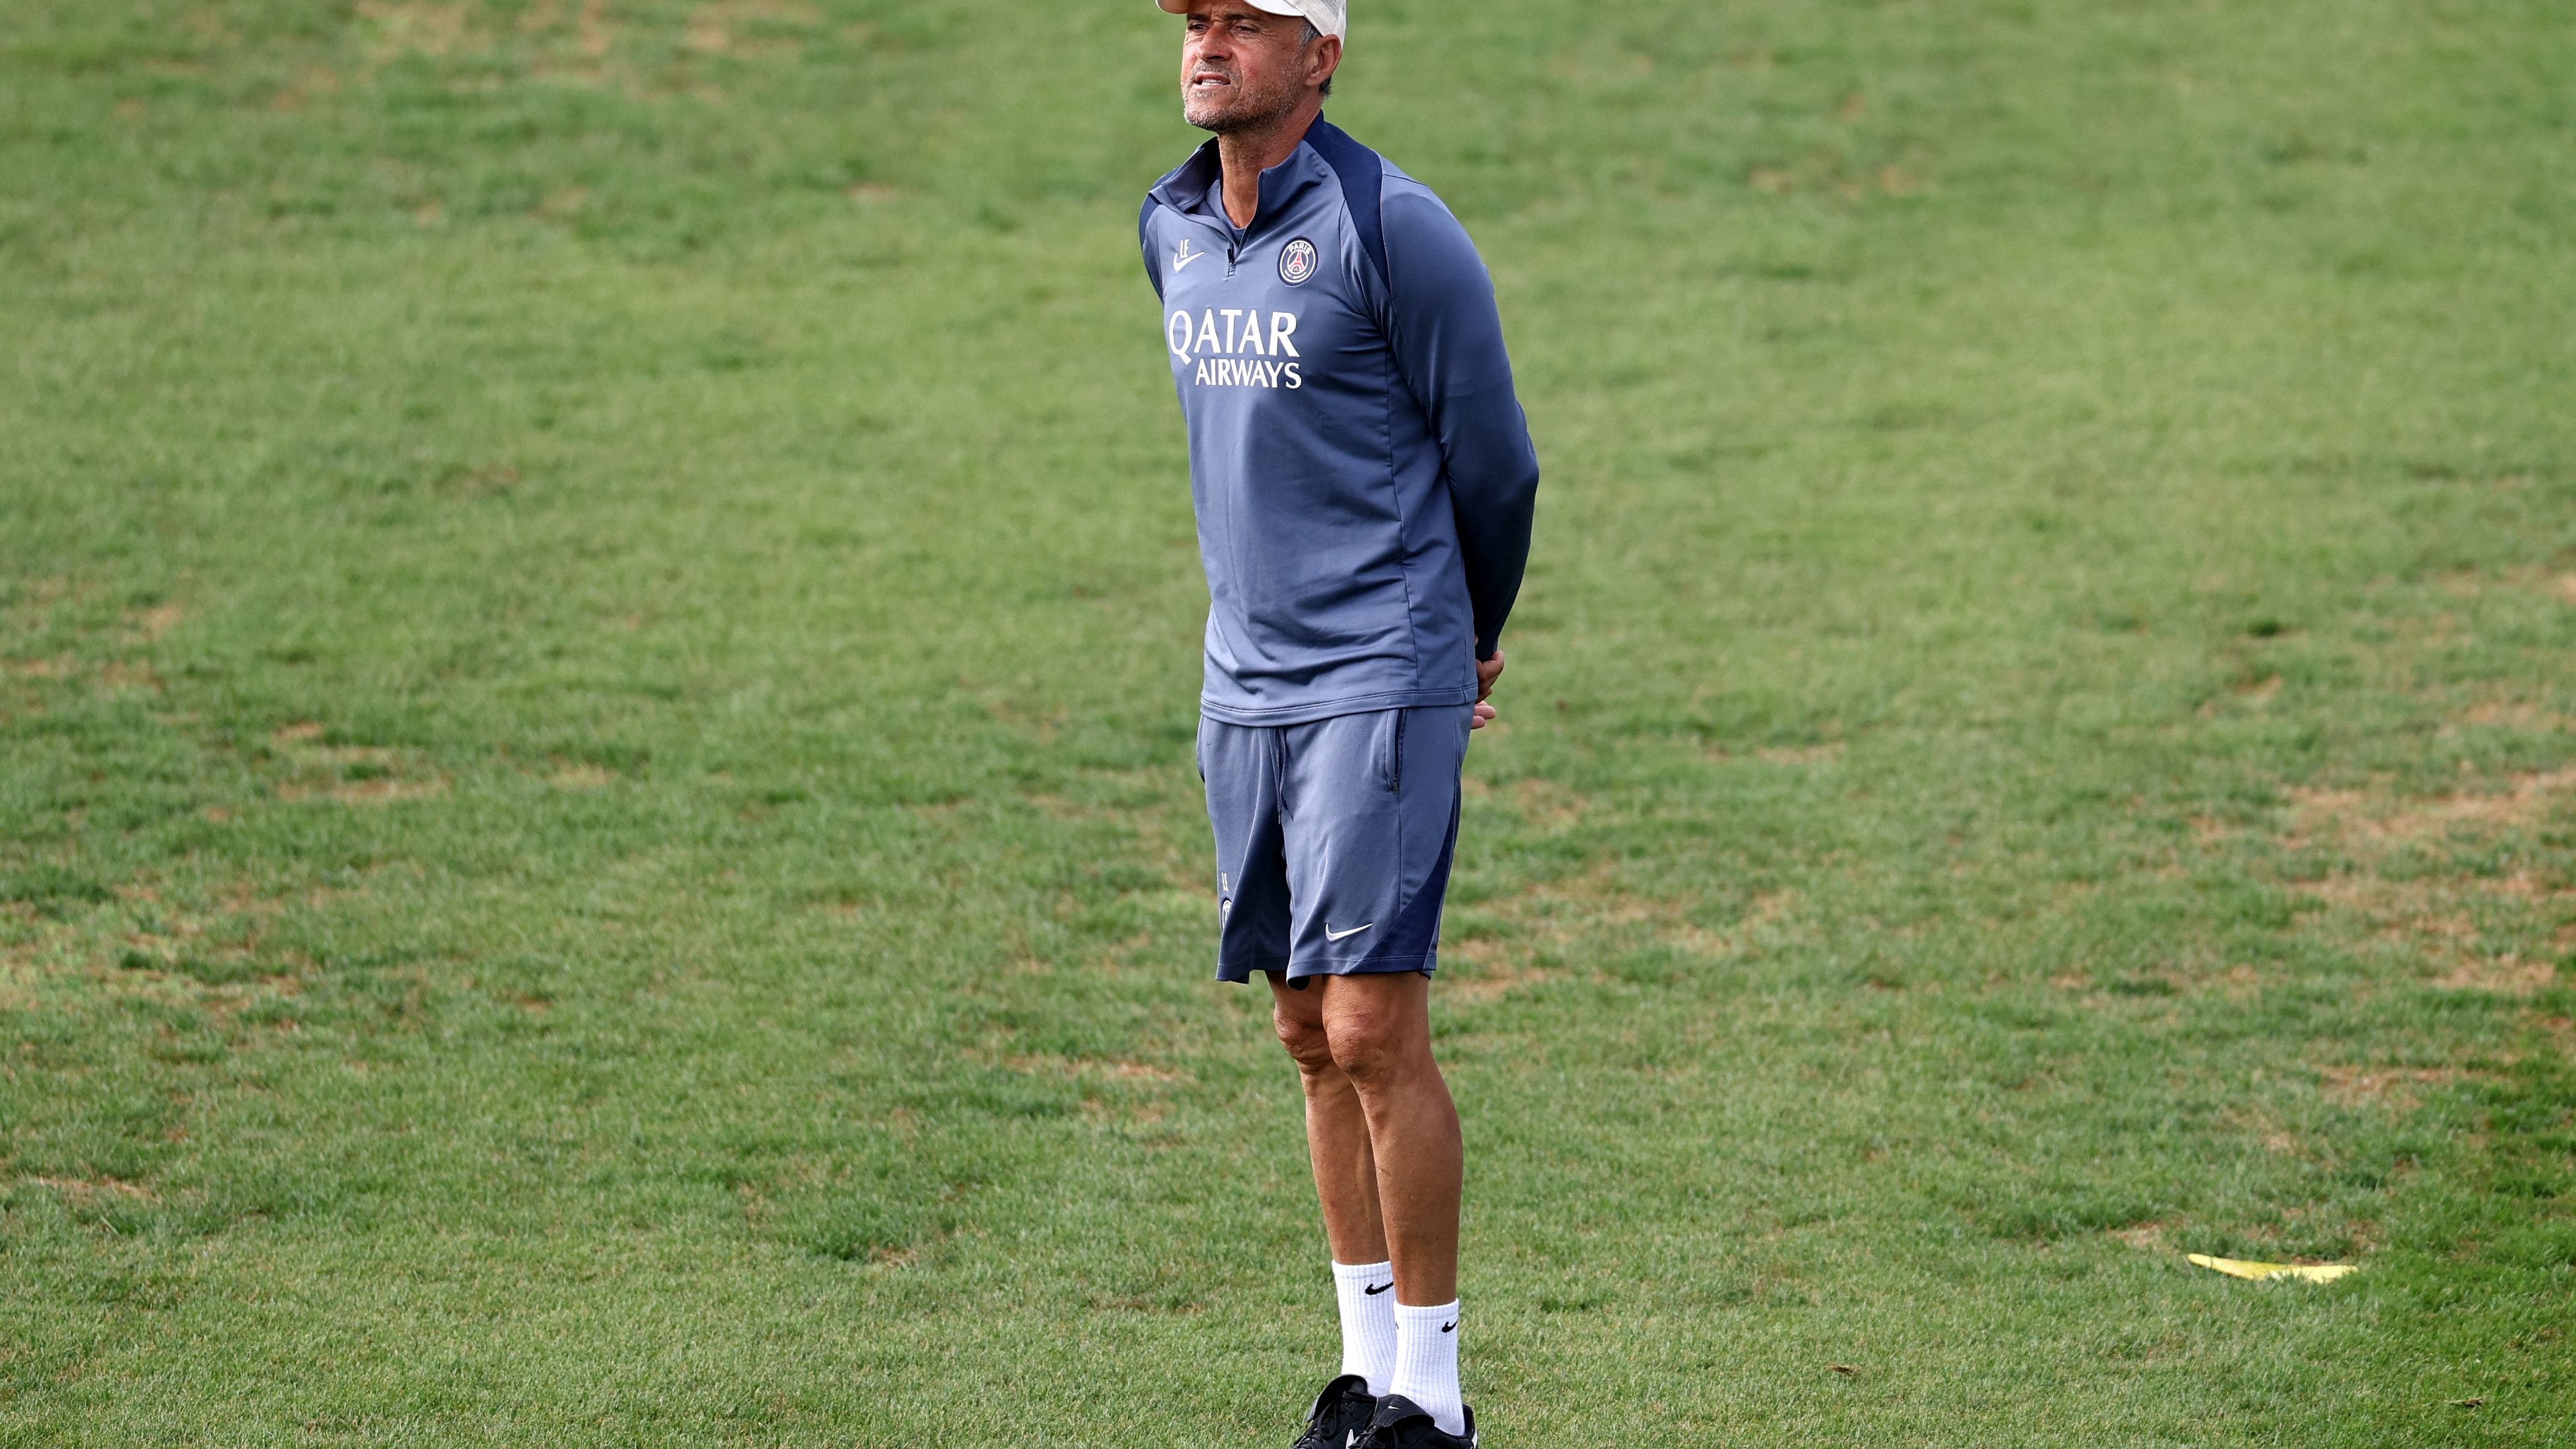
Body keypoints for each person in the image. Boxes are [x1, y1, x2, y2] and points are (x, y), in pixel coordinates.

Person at [1137, 3, 1539, 1444]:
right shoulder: (1169, 225)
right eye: (1194, 20)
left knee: (1376, 1020)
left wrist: (1465, 639)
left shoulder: (1394, 225)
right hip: (1244, 682)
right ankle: (1364, 1377)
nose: (1206, 45)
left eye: (1246, 23)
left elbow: (1496, 461)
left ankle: (1434, 1398)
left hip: (1384, 664)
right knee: (1307, 1029)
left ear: (1322, 57)